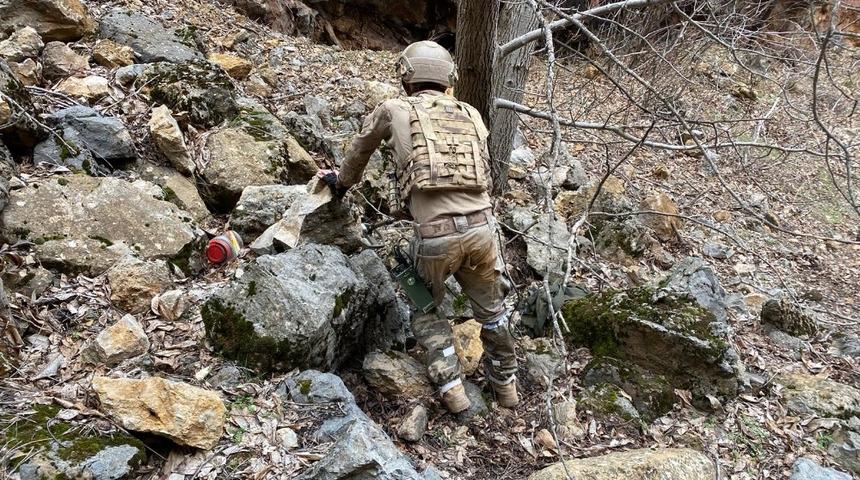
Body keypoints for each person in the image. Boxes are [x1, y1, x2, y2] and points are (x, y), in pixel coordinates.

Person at [321, 40, 518, 413]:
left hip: (435, 238)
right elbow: (486, 173)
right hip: (483, 231)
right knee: (494, 313)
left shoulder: (394, 108)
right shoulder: (471, 114)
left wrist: (340, 183)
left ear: (406, 76)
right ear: (448, 77)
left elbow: (360, 150)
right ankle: (506, 386)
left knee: (426, 308)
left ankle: (453, 389)